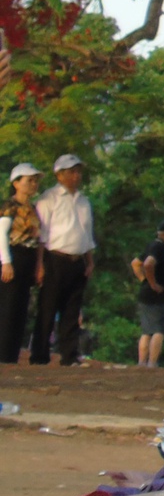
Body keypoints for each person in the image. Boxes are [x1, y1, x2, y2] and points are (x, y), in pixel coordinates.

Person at [34, 152, 96, 365]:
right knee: (48, 308)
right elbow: (42, 235)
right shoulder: (48, 199)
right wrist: (40, 264)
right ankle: (40, 354)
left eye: (78, 172)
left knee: (72, 310)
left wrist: (89, 261)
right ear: (59, 175)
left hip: (77, 259)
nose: (76, 176)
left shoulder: (84, 201)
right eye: (71, 172)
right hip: (55, 258)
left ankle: (69, 355)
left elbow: (87, 233)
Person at [0, 163, 43, 363]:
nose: (33, 184)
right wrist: (6, 262)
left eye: (35, 181)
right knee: (8, 306)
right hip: (13, 255)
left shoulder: (33, 209)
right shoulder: (9, 206)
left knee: (21, 307)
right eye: (28, 180)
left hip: (29, 256)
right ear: (16, 183)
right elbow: (2, 234)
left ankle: (11, 355)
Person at [131, 217, 164, 367]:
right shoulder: (159, 248)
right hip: (155, 296)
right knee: (158, 330)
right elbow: (147, 264)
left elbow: (135, 263)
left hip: (146, 294)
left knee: (146, 331)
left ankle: (142, 362)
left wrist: (143, 280)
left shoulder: (152, 245)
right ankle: (152, 362)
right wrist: (152, 283)